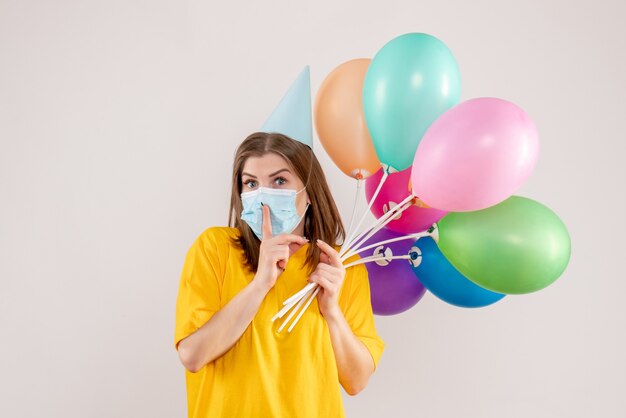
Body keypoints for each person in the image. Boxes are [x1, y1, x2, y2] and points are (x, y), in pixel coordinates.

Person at [174, 132, 385, 417]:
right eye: (251, 183)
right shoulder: (215, 248)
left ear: (309, 191)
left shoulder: (341, 265)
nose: (263, 194)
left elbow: (356, 380)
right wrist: (260, 283)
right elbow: (192, 355)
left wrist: (331, 311)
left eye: (279, 181)